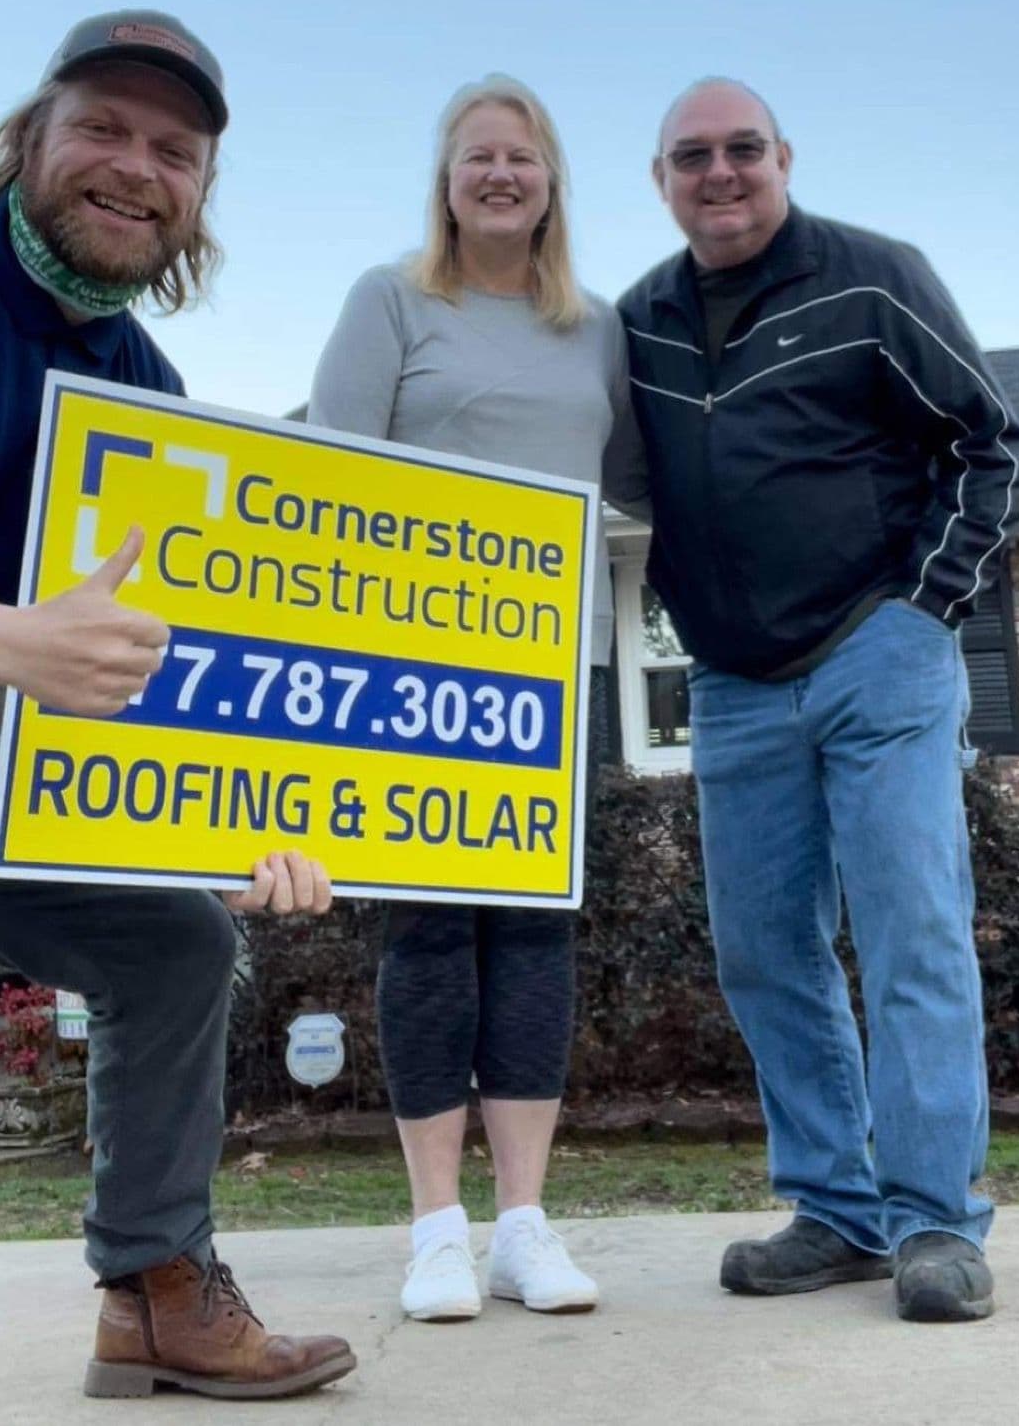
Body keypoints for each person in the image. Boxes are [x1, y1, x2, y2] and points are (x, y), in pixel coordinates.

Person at [0, 11, 356, 1400]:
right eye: (103, 128)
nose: (137, 166)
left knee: (176, 942)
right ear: (32, 139)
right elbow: (34, 649)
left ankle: (154, 1292)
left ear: (200, 193)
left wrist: (229, 823)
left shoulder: (144, 392)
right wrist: (1, 637)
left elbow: (151, 687)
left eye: (174, 150)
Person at [618, 78, 1019, 1323]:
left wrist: (925, 604)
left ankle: (936, 1219)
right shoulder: (638, 321)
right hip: (734, 681)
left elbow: (991, 444)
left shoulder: (872, 278)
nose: (721, 172)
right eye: (693, 155)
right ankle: (839, 1210)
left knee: (912, 931)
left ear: (784, 157)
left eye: (743, 148)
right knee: (762, 948)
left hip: (876, 654)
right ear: (661, 179)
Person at [310, 73, 644, 1323]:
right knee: (431, 933)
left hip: (555, 673)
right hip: (415, 669)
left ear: (551, 183)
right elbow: (329, 475)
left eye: (521, 156)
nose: (500, 174)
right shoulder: (393, 300)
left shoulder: (598, 329)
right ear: (446, 184)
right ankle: (436, 1229)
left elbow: (647, 476)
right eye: (477, 158)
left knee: (538, 933)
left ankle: (523, 1225)